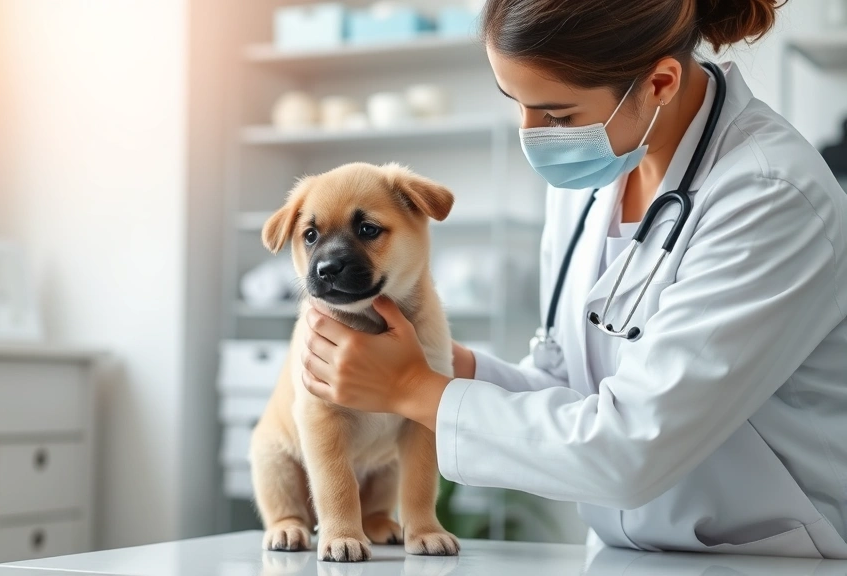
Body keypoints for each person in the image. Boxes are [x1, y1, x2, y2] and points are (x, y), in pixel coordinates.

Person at [299, 0, 847, 558]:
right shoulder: (596, 172)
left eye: (557, 116)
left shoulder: (768, 196)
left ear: (659, 83)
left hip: (766, 561)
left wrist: (413, 389)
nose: (531, 135)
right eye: (516, 103)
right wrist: (441, 362)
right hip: (624, 556)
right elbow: (570, 386)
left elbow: (631, 447)